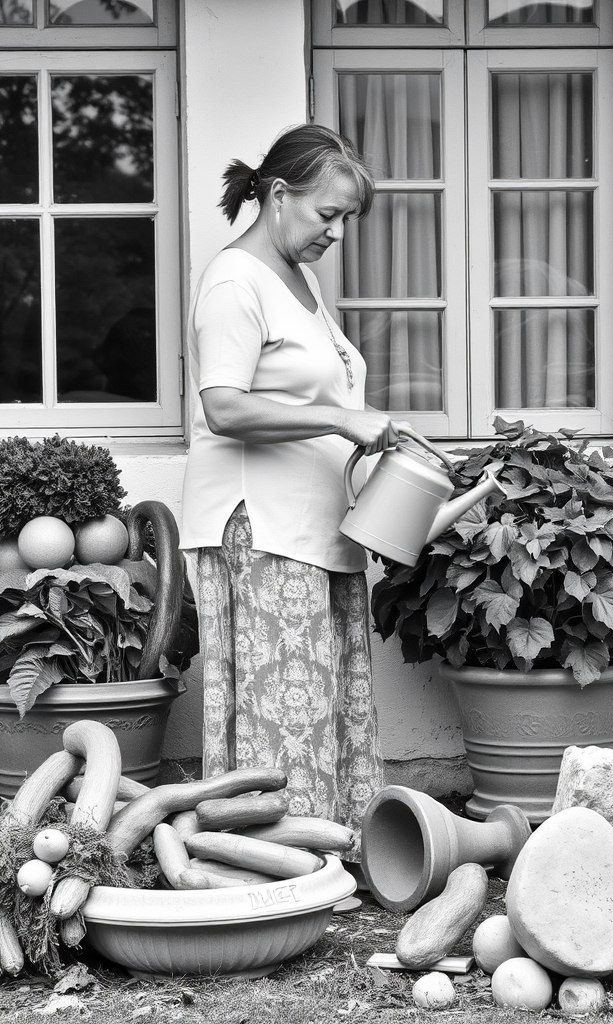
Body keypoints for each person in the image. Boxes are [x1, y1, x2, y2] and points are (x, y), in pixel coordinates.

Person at [180, 124, 403, 866]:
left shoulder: (295, 281)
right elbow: (225, 406)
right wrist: (341, 417)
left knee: (324, 710)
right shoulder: (234, 283)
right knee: (283, 725)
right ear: (278, 195)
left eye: (346, 219)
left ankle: (328, 861)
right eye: (327, 214)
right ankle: (273, 875)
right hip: (263, 530)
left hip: (315, 532)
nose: (336, 233)